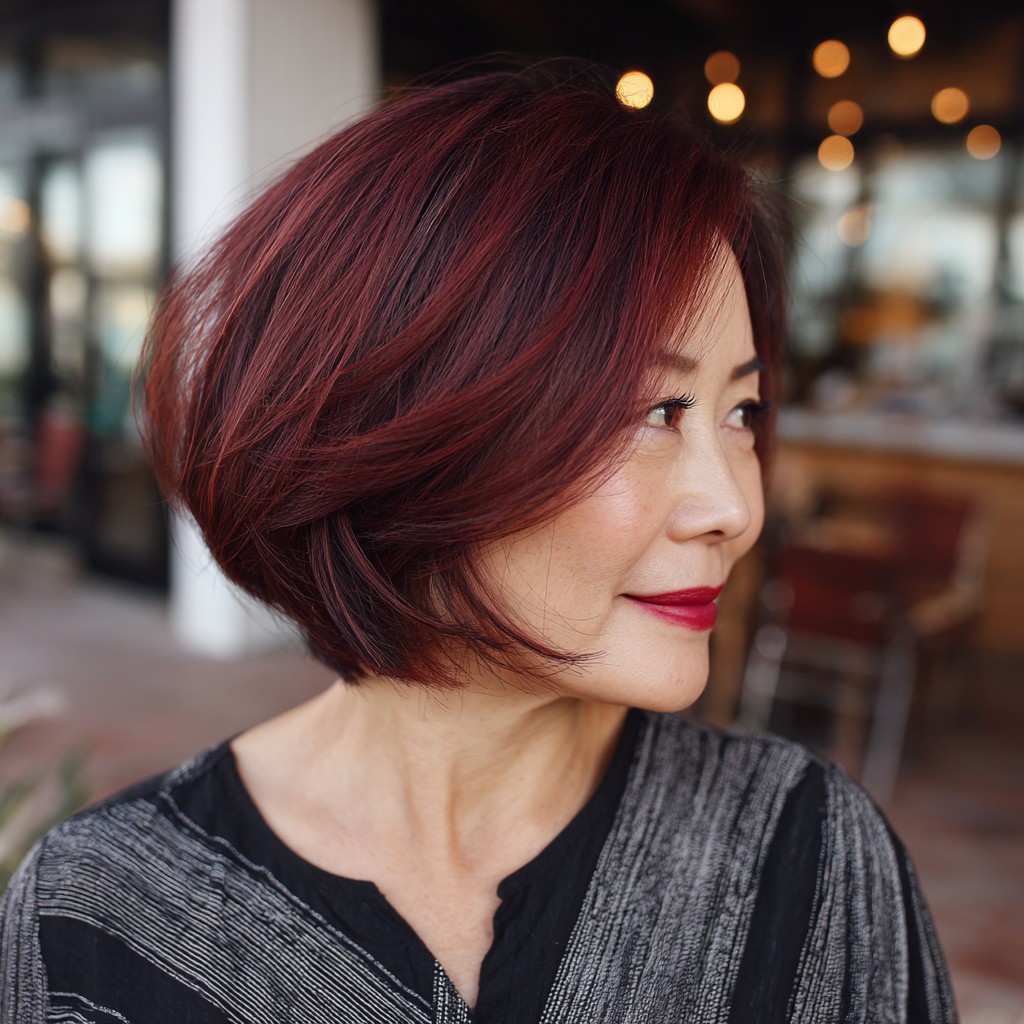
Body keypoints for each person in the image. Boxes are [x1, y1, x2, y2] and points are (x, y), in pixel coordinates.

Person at [0, 62, 956, 1023]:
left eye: (742, 411)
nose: (733, 508)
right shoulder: (96, 914)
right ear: (396, 432)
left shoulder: (812, 860)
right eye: (655, 411)